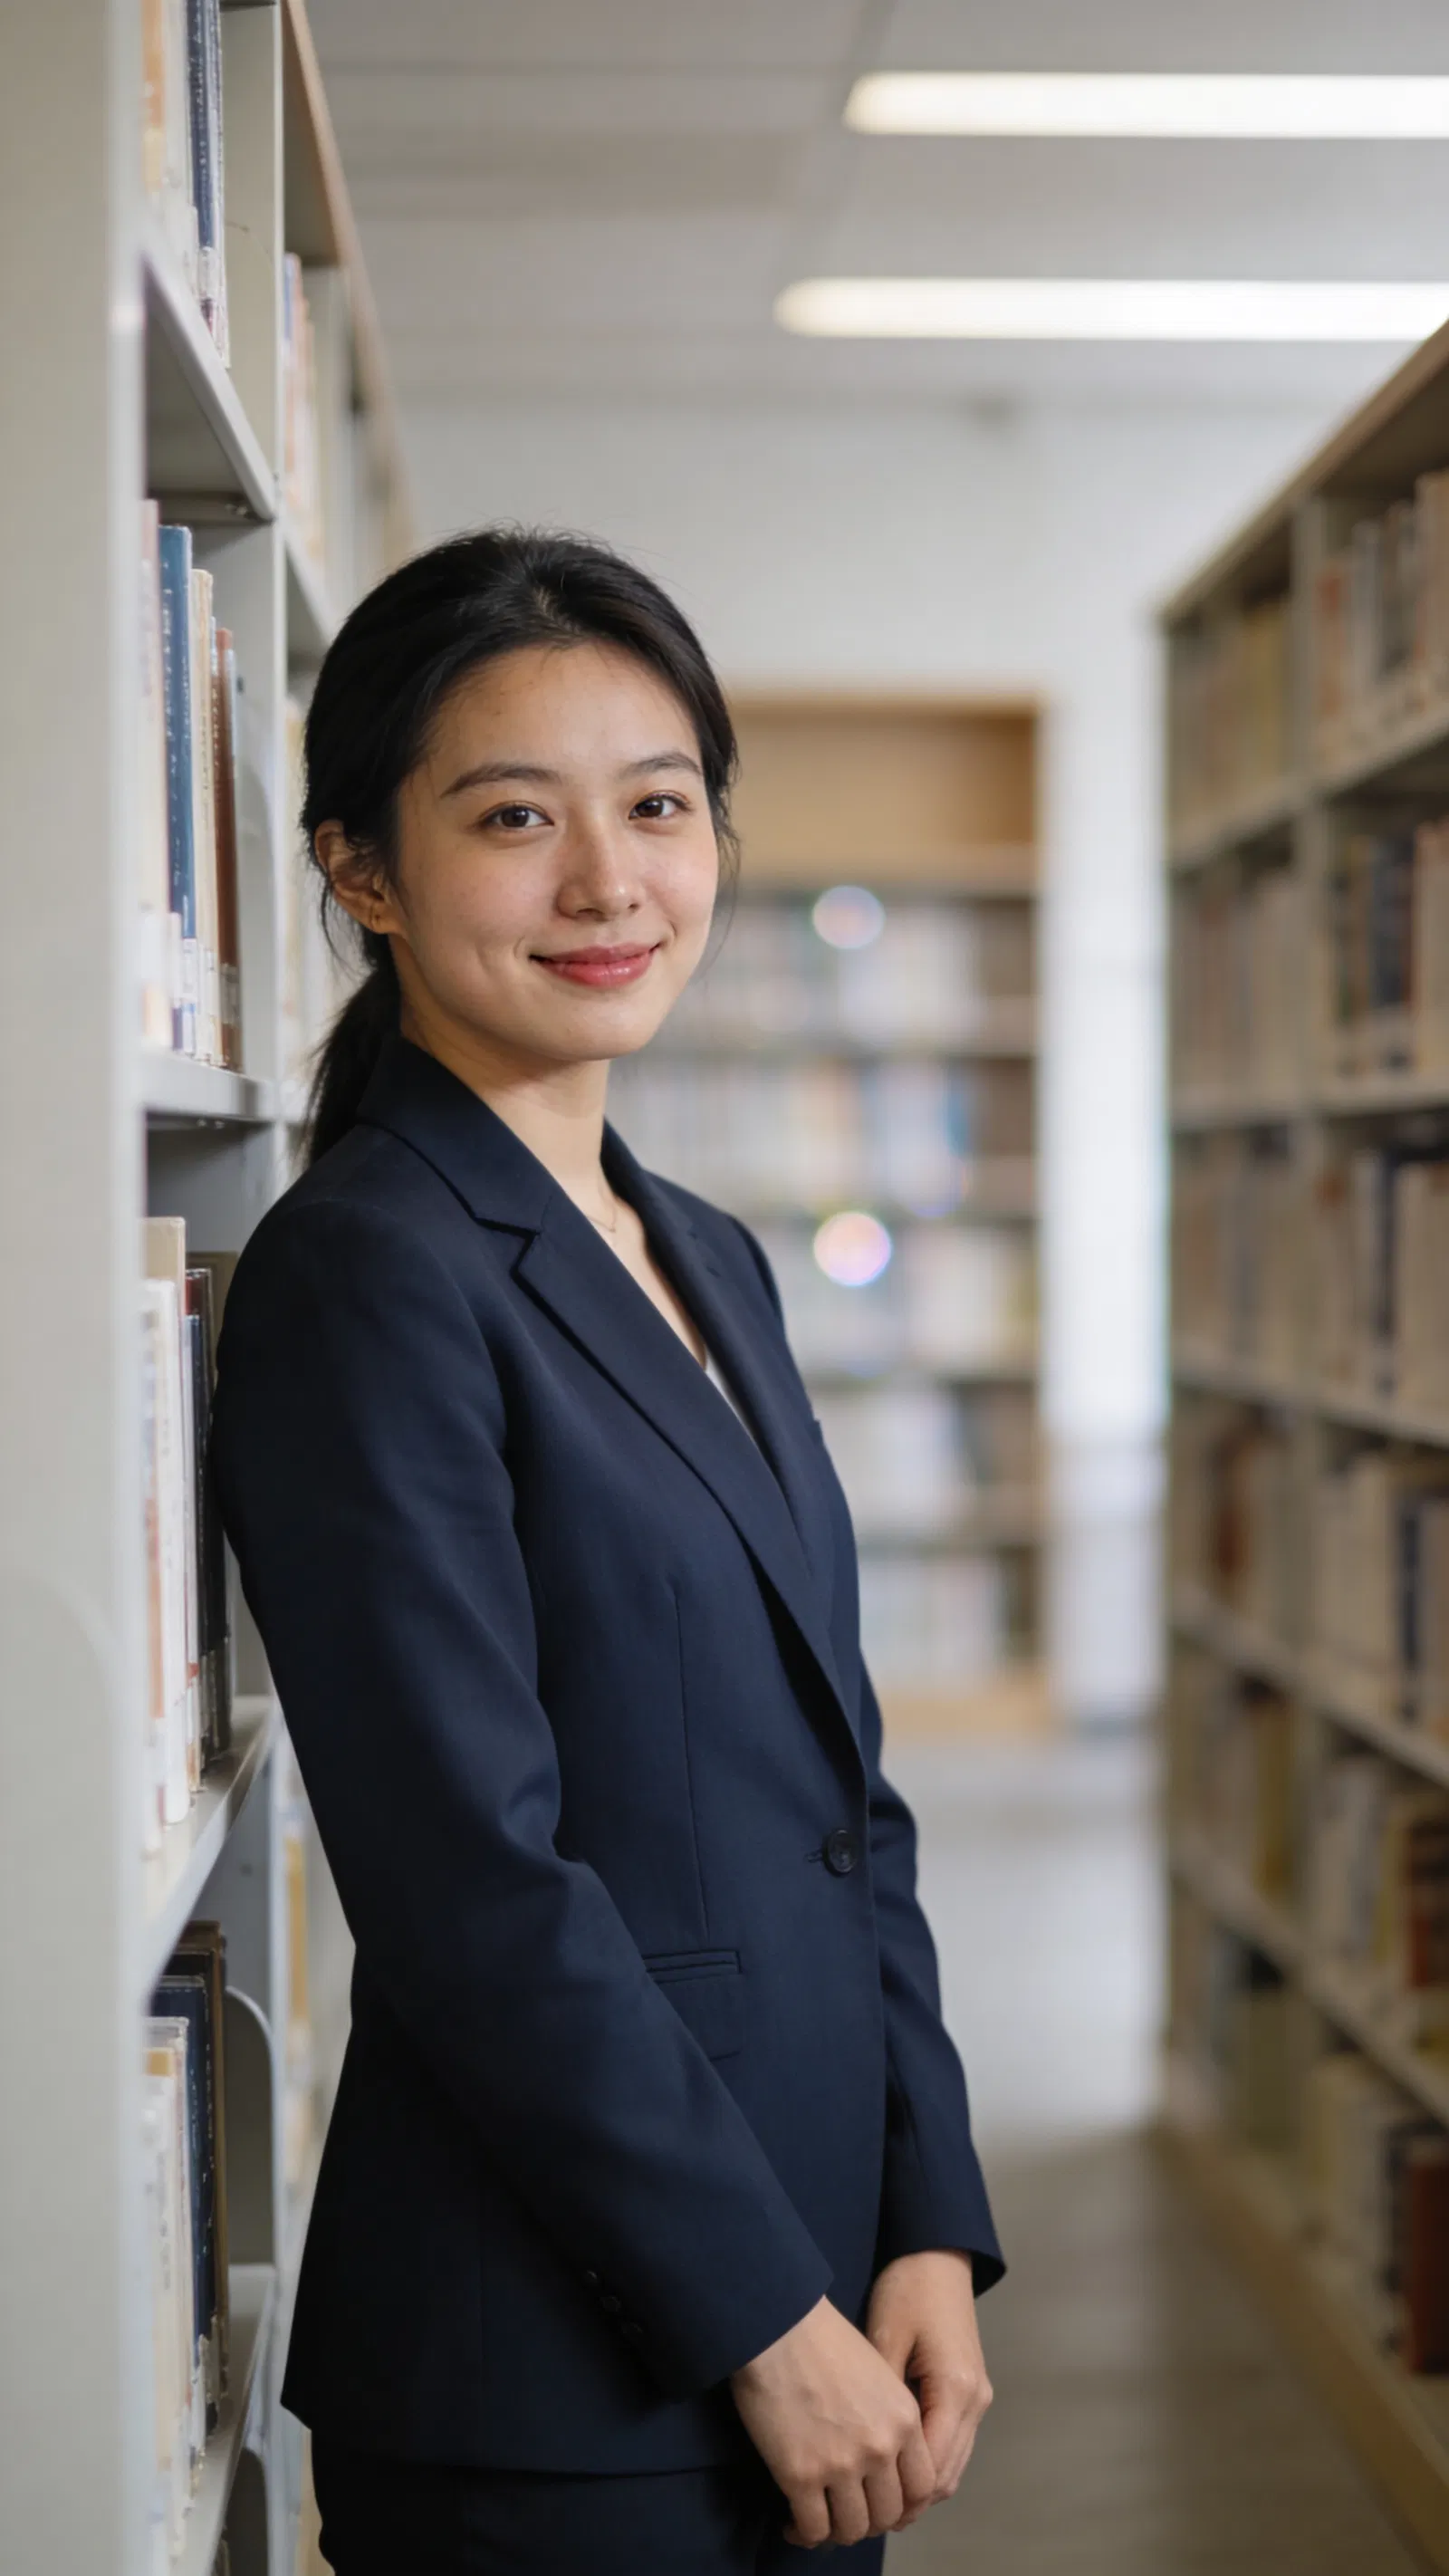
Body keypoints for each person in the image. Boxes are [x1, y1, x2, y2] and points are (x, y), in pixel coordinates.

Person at [211, 529, 1003, 2575]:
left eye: (656, 807)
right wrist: (751, 2311)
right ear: (360, 871)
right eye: (510, 819)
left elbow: (841, 1789)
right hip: (566, 2367)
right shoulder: (366, 1272)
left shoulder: (706, 1254)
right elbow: (470, 1877)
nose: (605, 883)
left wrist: (923, 2204)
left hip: (819, 2276)